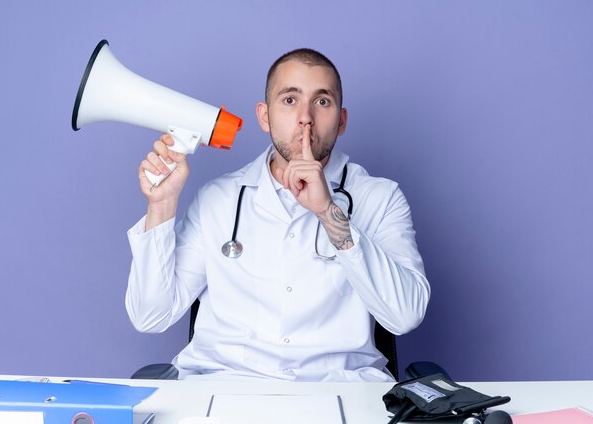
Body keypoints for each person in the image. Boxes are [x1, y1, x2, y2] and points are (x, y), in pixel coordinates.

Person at [125, 49, 430, 382]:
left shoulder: (381, 197)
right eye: (289, 100)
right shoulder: (217, 200)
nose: (305, 117)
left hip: (339, 394)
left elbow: (405, 315)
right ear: (264, 116)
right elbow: (150, 316)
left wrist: (327, 212)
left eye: (322, 102)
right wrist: (162, 205)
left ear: (341, 121)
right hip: (223, 393)